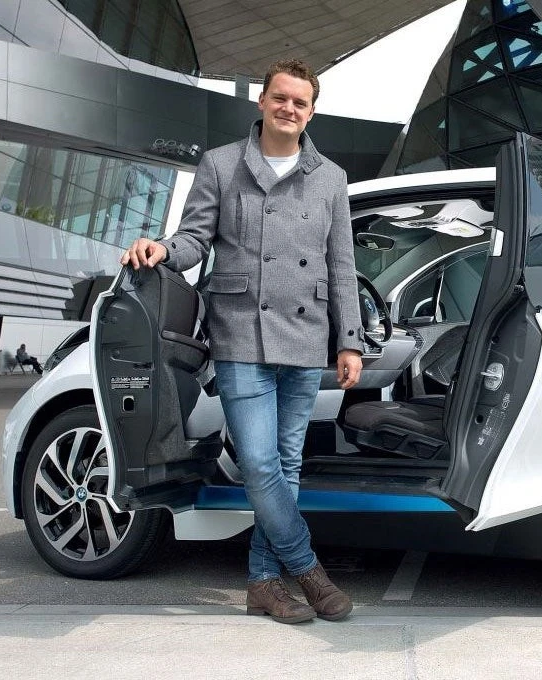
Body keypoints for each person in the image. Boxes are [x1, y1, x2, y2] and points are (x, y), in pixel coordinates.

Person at [120, 59, 363, 625]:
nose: (288, 109)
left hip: (305, 335)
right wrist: (163, 249)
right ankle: (308, 569)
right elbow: (194, 238)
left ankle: (262, 582)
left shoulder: (330, 177)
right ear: (262, 100)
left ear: (311, 112)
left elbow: (342, 265)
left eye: (300, 102)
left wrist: (349, 341)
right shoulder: (222, 164)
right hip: (240, 334)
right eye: (280, 98)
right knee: (258, 462)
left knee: (285, 463)